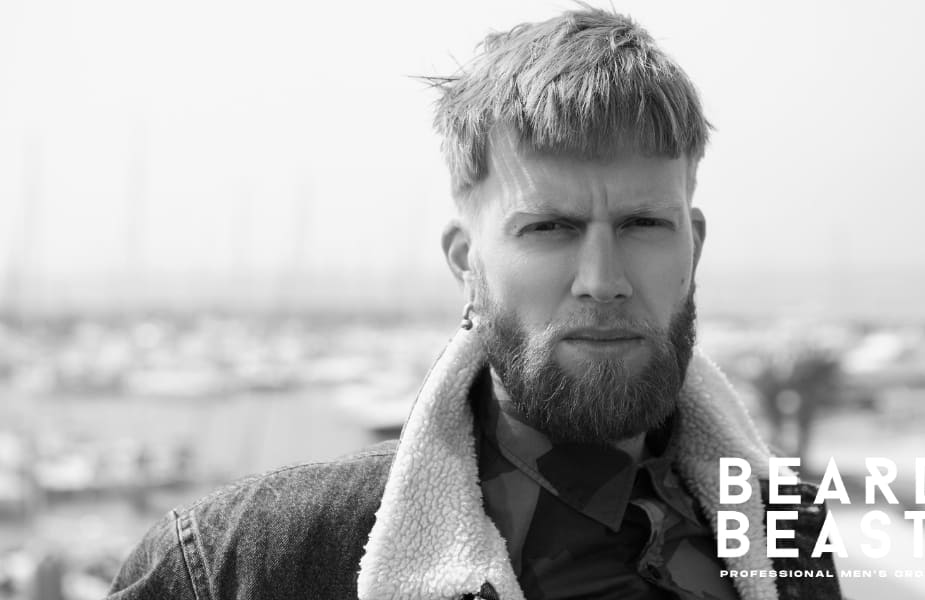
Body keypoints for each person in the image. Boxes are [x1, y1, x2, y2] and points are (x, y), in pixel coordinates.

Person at [108, 8, 841, 600]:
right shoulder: (244, 569)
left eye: (644, 224)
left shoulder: (788, 533)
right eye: (548, 228)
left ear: (694, 247)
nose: (601, 279)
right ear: (467, 262)